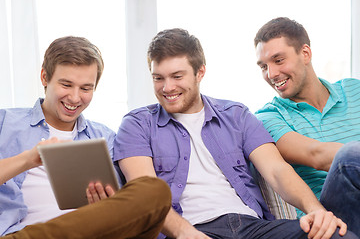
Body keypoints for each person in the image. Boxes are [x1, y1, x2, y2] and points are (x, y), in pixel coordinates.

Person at [111, 28, 357, 239]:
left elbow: (277, 171)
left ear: (200, 73)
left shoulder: (236, 115)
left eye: (177, 76)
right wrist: (188, 234)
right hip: (191, 230)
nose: (167, 88)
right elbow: (145, 193)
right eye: (158, 78)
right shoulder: (137, 124)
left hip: (254, 228)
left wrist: (315, 211)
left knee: (334, 234)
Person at [0, 36, 171, 238]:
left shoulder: (105, 138)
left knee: (154, 191)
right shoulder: (5, 122)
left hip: (92, 230)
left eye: (85, 88)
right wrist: (28, 159)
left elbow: (127, 204)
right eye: (66, 84)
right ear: (45, 77)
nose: (74, 97)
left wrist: (108, 205)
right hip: (26, 233)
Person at [254, 17, 360, 234]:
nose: (271, 74)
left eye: (279, 60)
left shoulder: (354, 89)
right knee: (348, 156)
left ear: (305, 54)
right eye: (264, 66)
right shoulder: (269, 117)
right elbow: (318, 156)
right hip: (332, 220)